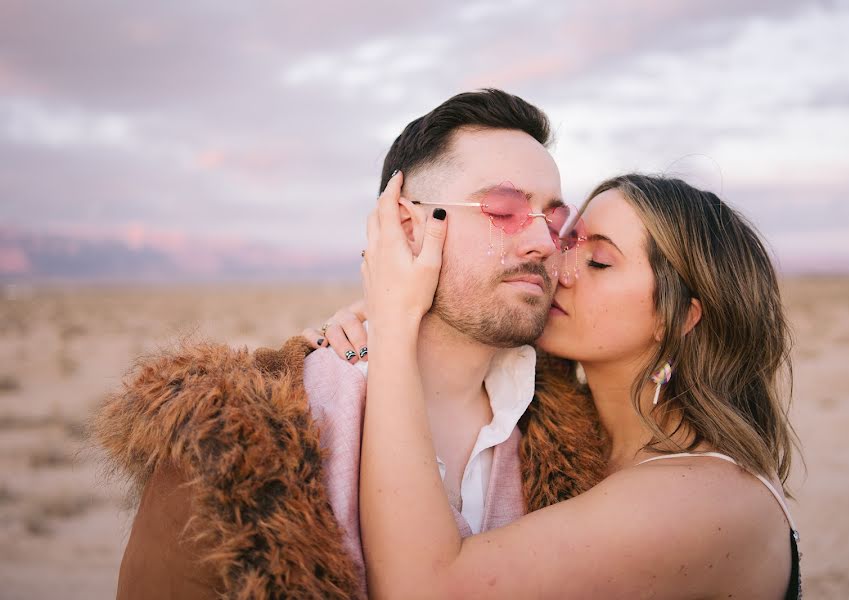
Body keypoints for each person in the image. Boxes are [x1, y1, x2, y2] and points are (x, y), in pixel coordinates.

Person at [92, 89, 608, 599]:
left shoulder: (576, 429)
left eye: (555, 219)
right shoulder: (235, 443)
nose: (543, 242)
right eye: (503, 208)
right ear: (406, 226)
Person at [334, 172, 802, 598]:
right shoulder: (569, 436)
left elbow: (425, 590)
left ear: (679, 317)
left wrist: (395, 323)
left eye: (598, 261)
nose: (559, 267)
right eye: (567, 241)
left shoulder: (707, 499)